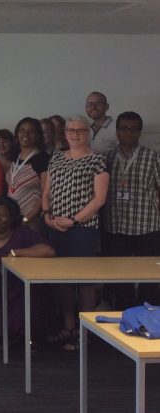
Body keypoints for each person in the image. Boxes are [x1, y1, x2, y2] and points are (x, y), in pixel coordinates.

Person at [42, 116, 108, 351]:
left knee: (86, 282)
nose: (75, 134)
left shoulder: (97, 159)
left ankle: (85, 330)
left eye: (80, 130)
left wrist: (74, 220)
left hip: (83, 229)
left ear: (88, 133)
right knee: (62, 281)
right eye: (71, 130)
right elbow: (47, 191)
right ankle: (69, 326)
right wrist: (47, 215)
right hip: (56, 228)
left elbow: (100, 199)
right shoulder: (57, 157)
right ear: (65, 133)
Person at [0, 197, 55, 341]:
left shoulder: (21, 233)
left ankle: (22, 339)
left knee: (26, 309)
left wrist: (17, 252)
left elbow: (49, 251)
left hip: (19, 290)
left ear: (11, 218)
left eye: (3, 215)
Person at [102, 111, 160, 308]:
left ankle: (149, 318)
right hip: (116, 226)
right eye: (124, 129)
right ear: (117, 131)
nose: (129, 133)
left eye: (133, 129)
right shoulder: (106, 158)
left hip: (147, 226)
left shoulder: (153, 157)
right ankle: (123, 315)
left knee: (150, 277)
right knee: (120, 277)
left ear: (140, 132)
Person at [6, 118, 50, 232]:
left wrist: (26, 219)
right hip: (11, 219)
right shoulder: (14, 156)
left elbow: (45, 194)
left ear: (38, 135)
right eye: (22, 130)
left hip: (32, 220)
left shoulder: (43, 159)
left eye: (31, 131)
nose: (26, 134)